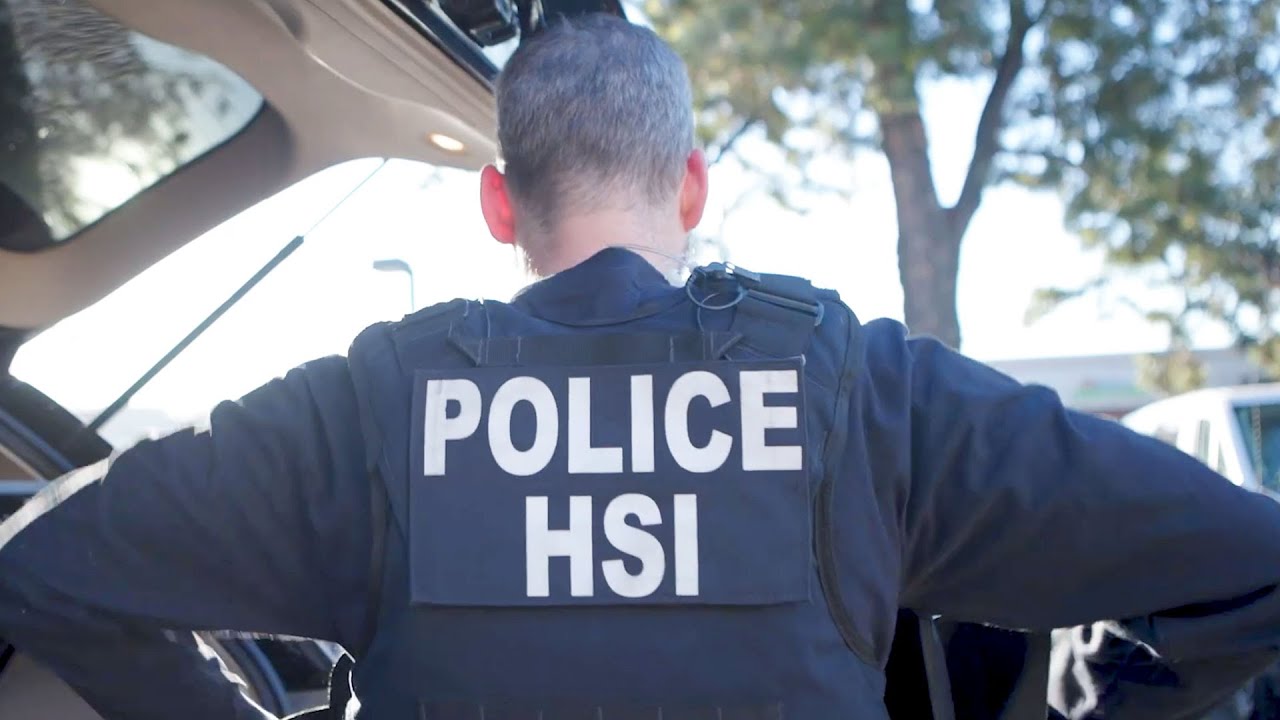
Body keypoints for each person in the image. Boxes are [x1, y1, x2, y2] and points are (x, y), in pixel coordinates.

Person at [2, 12, 1280, 720]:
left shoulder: (368, 408)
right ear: (691, 185)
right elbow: (1248, 568)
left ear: (496, 204)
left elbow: (43, 571)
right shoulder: (865, 390)